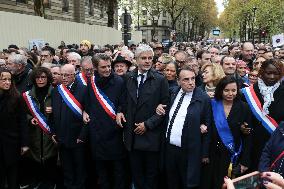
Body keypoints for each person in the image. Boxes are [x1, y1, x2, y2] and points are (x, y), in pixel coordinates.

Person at [116, 44, 169, 189]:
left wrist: (147, 124)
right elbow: (122, 100)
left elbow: (165, 107)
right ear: (136, 60)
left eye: (150, 58)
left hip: (151, 136)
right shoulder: (128, 77)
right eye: (143, 58)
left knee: (151, 176)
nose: (147, 61)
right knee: (136, 175)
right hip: (132, 136)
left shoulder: (160, 80)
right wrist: (119, 110)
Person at [158, 66, 212, 189]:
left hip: (189, 151)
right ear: (178, 81)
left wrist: (205, 153)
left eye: (193, 78)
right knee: (171, 182)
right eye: (186, 79)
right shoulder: (172, 92)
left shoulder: (203, 99)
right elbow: (164, 112)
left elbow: (208, 128)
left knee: (187, 184)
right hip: (169, 149)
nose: (191, 82)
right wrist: (159, 107)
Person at [84, 53, 127, 189]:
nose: (108, 69)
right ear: (96, 68)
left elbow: (124, 102)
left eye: (109, 66)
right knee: (101, 173)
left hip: (114, 132)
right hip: (97, 133)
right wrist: (85, 111)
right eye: (104, 67)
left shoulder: (119, 81)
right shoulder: (91, 82)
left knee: (118, 171)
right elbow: (88, 102)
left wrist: (120, 110)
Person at [209, 76, 252, 189]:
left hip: (232, 157)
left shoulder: (244, 108)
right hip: (212, 156)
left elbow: (248, 137)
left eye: (233, 90)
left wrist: (245, 161)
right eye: (226, 90)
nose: (230, 94)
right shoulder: (212, 104)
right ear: (220, 90)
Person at [241, 59, 284, 171]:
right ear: (261, 72)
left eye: (276, 73)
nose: (272, 77)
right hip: (252, 147)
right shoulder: (247, 93)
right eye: (268, 73)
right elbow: (240, 117)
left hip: (277, 147)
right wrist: (241, 125)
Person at [51, 64, 88, 189]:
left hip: (78, 138)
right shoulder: (57, 90)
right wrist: (54, 133)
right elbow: (54, 115)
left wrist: (82, 136)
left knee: (80, 169)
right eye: (62, 75)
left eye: (67, 75)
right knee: (67, 169)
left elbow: (88, 115)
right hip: (62, 138)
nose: (64, 78)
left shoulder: (83, 90)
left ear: (74, 75)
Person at [22, 67, 57, 189]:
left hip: (50, 132)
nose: (40, 80)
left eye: (43, 77)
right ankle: (37, 179)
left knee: (50, 157)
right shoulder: (27, 95)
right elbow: (22, 113)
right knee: (35, 156)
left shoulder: (56, 92)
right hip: (35, 132)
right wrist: (29, 119)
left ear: (48, 78)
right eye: (38, 77)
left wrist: (54, 111)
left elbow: (64, 112)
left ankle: (50, 181)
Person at [0, 68, 28, 189]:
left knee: (13, 177)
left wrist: (24, 143)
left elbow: (23, 122)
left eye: (9, 79)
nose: (7, 82)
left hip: (12, 142)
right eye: (3, 79)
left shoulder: (17, 97)